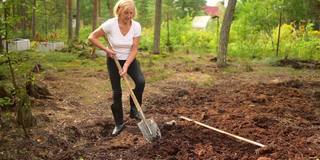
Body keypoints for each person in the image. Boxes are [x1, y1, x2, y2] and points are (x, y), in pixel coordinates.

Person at [88, 0, 144, 136]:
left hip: (130, 59)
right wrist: (106, 50)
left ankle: (134, 109)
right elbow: (92, 37)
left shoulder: (136, 26)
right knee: (117, 92)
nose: (129, 16)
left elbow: (134, 48)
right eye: (126, 13)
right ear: (119, 10)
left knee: (140, 82)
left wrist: (126, 65)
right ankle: (119, 123)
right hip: (113, 60)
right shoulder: (110, 24)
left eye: (131, 13)